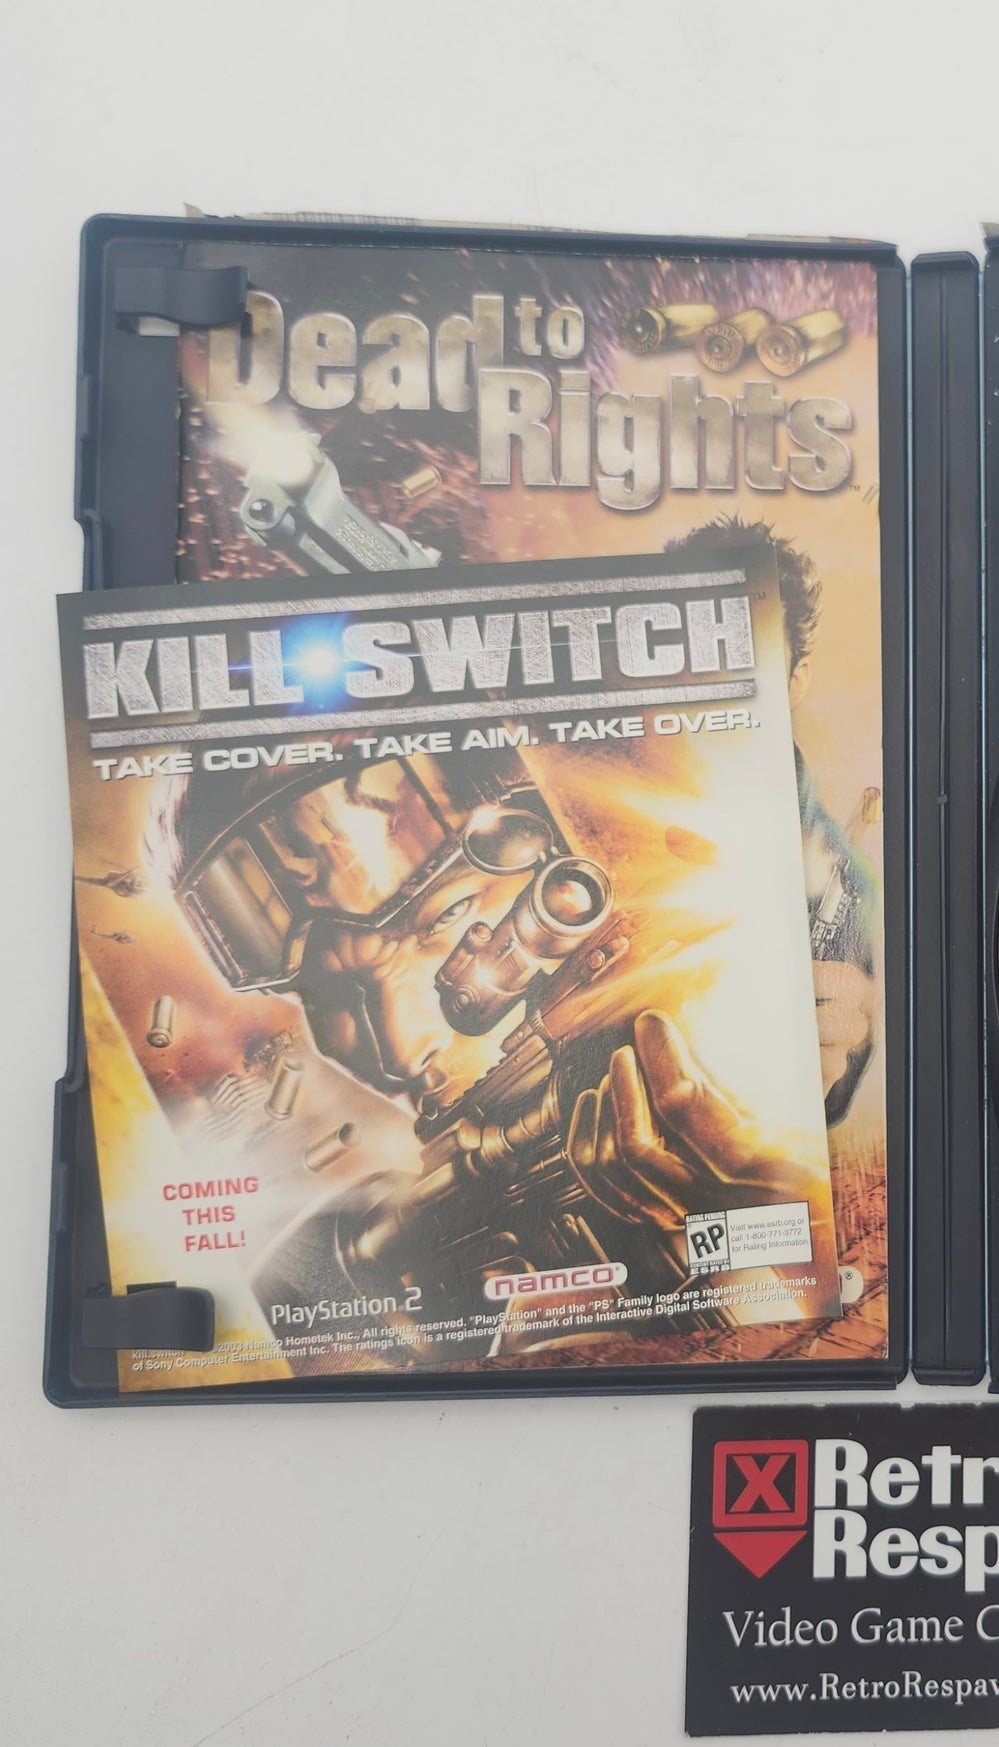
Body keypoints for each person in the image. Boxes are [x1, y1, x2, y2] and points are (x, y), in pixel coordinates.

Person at [148, 748, 829, 1344]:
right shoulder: (336, 1270)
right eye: (328, 995)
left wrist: (793, 1231)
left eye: (448, 916)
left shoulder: (776, 1021)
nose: (401, 1052)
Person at [666, 515, 878, 1122]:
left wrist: (833, 1059)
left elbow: (831, 1096)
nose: (714, 685)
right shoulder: (595, 795)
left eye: (746, 657)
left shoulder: (843, 883)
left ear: (795, 681)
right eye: (690, 652)